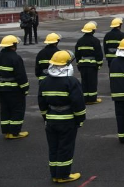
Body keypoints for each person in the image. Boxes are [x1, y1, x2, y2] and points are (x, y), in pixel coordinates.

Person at [38, 50, 85, 184]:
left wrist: (46, 117)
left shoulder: (45, 81)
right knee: (65, 147)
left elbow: (41, 102)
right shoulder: (71, 81)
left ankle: (55, 174)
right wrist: (80, 120)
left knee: (53, 147)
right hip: (67, 120)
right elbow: (78, 103)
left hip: (51, 120)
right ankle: (64, 175)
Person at [0, 35, 29, 139]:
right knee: (17, 110)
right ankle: (14, 132)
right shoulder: (15, 58)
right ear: (13, 45)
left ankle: (7, 131)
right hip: (14, 90)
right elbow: (21, 76)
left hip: (2, 89)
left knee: (5, 110)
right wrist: (25, 88)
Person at [75, 22, 103, 104]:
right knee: (92, 82)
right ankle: (92, 99)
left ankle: (85, 99)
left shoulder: (79, 41)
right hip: (92, 65)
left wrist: (78, 64)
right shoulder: (95, 41)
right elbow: (99, 54)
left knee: (84, 82)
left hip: (82, 65)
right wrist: (99, 64)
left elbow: (77, 54)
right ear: (93, 31)